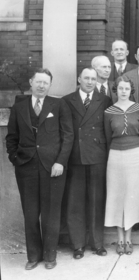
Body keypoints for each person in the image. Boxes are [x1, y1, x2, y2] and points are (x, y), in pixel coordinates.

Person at [6, 68, 74, 270]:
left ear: (50, 85)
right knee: (30, 213)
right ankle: (33, 256)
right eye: (38, 82)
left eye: (46, 82)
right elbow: (11, 138)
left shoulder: (59, 105)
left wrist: (60, 162)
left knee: (51, 213)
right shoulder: (19, 107)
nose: (42, 85)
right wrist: (15, 159)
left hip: (53, 167)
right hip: (26, 168)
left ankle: (50, 255)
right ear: (31, 82)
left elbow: (68, 136)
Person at [62, 68, 112, 259]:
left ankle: (97, 243)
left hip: (98, 156)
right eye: (86, 78)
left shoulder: (105, 100)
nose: (90, 82)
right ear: (79, 79)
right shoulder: (67, 100)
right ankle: (78, 245)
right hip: (75, 157)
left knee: (96, 201)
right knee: (75, 202)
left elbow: (107, 131)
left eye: (93, 78)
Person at [104, 75, 139, 255]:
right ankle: (120, 238)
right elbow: (107, 137)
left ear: (131, 91)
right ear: (116, 90)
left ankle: (129, 238)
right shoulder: (109, 111)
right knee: (116, 195)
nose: (123, 91)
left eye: (126, 89)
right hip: (115, 155)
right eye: (120, 88)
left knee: (132, 195)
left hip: (136, 154)